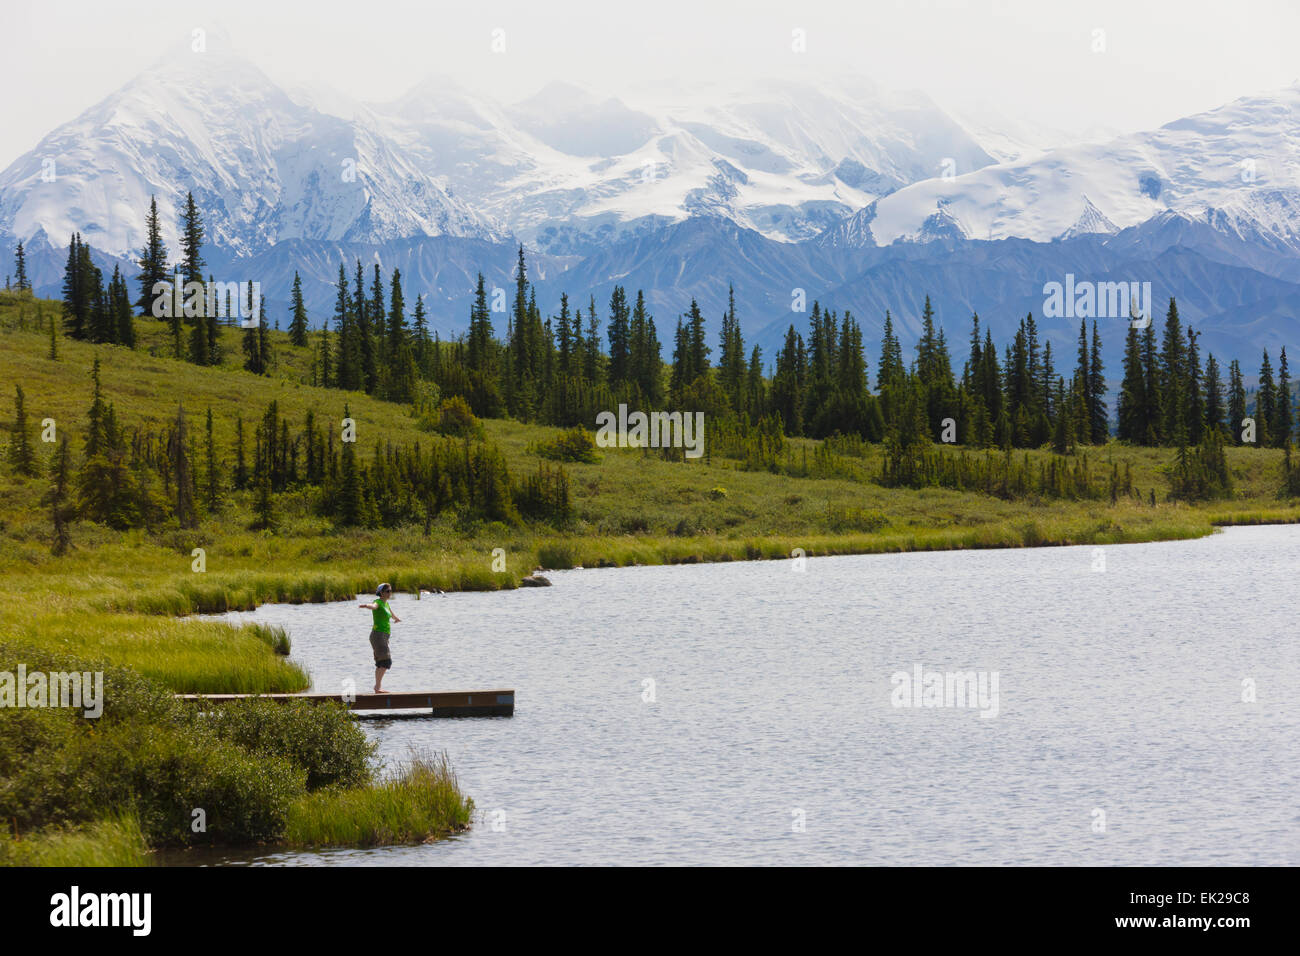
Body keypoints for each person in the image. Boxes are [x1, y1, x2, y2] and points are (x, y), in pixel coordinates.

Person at [358, 583, 401, 692]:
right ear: (381, 592)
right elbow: (373, 606)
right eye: (387, 591)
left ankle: (377, 687)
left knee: (381, 663)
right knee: (386, 662)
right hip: (378, 635)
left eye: (391, 591)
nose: (389, 593)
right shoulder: (377, 602)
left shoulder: (386, 604)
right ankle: (377, 687)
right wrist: (366, 606)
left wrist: (396, 618)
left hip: (383, 636)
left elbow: (391, 614)